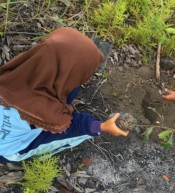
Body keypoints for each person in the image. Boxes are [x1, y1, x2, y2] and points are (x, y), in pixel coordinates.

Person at [0, 27, 128, 162]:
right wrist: (101, 127)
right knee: (53, 138)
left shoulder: (12, 73)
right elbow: (73, 127)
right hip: (7, 150)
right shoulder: (48, 115)